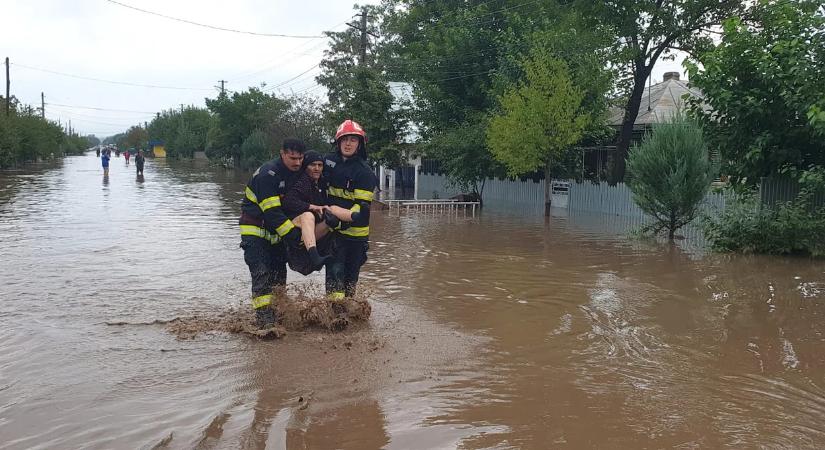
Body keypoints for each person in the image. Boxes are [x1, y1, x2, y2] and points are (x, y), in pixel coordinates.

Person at [239, 138, 306, 329]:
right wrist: (293, 236)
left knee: (278, 276)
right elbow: (273, 213)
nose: (297, 163)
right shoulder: (267, 175)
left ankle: (279, 314)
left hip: (276, 234)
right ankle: (265, 322)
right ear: (282, 153)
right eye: (293, 158)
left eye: (300, 158)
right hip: (255, 231)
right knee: (261, 273)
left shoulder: (296, 174)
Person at [323, 120, 377, 308]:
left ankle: (347, 313)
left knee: (349, 282)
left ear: (360, 144)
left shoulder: (365, 173)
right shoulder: (327, 163)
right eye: (345, 139)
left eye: (353, 140)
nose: (348, 143)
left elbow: (361, 211)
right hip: (334, 234)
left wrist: (339, 217)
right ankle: (335, 317)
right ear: (338, 142)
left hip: (356, 237)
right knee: (334, 276)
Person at [281, 150, 349, 275]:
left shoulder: (321, 183)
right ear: (305, 166)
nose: (317, 168)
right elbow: (288, 201)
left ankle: (355, 216)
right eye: (312, 165)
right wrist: (311, 206)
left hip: (313, 232)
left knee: (331, 213)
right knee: (308, 216)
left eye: (320, 165)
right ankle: (314, 256)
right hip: (295, 228)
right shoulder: (302, 181)